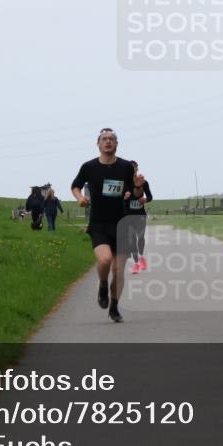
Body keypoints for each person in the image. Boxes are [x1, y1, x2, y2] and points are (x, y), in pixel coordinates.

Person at [71, 128, 145, 323]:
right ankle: (103, 285)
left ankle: (114, 306)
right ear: (98, 144)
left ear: (116, 144)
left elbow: (136, 194)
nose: (108, 141)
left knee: (119, 271)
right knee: (104, 261)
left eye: (112, 139)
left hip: (121, 224)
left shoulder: (125, 167)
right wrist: (80, 198)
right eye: (104, 139)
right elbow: (75, 185)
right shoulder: (89, 167)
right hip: (98, 224)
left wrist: (137, 186)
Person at [124, 160, 153, 274]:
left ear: (137, 169)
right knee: (132, 240)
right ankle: (136, 264)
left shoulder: (143, 182)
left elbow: (150, 196)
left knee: (140, 237)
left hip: (140, 215)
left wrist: (145, 199)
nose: (133, 170)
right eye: (130, 168)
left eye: (134, 168)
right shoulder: (125, 183)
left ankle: (141, 257)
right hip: (128, 215)